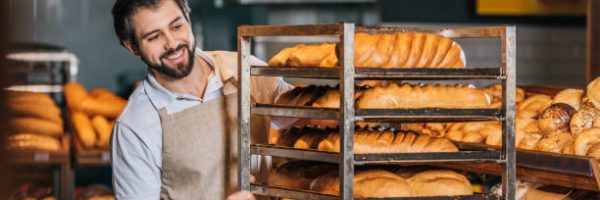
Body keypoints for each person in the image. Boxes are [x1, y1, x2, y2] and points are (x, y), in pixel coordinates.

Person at [110, 0, 292, 199]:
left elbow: (309, 118)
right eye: (154, 37)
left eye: (177, 26)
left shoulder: (245, 70)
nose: (172, 43)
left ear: (188, 18)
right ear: (132, 47)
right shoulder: (134, 127)